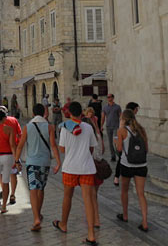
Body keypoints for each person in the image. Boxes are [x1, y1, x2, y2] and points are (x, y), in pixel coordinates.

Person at [53, 101, 98, 245]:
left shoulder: (65, 128)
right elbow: (91, 148)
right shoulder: (88, 127)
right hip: (86, 167)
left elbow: (61, 148)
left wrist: (72, 151)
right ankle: (91, 234)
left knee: (67, 197)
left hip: (70, 167)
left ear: (69, 113)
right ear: (82, 112)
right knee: (88, 200)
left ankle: (63, 224)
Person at [15, 103, 60, 231]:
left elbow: (20, 145)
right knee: (41, 189)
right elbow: (53, 145)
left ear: (33, 113)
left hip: (32, 162)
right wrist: (58, 162)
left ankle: (36, 218)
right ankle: (38, 214)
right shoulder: (49, 127)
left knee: (33, 189)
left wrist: (16, 160)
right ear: (44, 113)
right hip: (45, 162)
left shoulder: (27, 127)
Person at [116, 109, 150, 232]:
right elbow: (146, 149)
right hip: (141, 165)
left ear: (123, 119)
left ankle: (125, 215)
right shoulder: (142, 130)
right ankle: (145, 222)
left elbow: (119, 149)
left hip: (127, 165)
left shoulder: (122, 131)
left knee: (124, 190)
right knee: (141, 194)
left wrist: (117, 138)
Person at [82, 112, 105, 229]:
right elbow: (103, 149)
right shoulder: (97, 134)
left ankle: (96, 220)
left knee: (91, 196)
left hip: (91, 167)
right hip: (99, 166)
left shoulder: (86, 136)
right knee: (94, 195)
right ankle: (94, 218)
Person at [1, 105, 23, 205]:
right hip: (13, 150)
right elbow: (20, 134)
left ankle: (5, 191)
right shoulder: (14, 120)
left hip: (1, 151)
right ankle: (12, 194)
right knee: (13, 174)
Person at [102, 94, 122, 162]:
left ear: (113, 98)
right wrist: (101, 126)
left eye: (109, 97)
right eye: (107, 97)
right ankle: (113, 156)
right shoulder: (105, 107)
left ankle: (119, 155)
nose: (108, 98)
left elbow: (120, 116)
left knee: (115, 142)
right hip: (108, 126)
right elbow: (103, 117)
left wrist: (122, 125)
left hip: (116, 126)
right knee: (110, 143)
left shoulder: (117, 107)